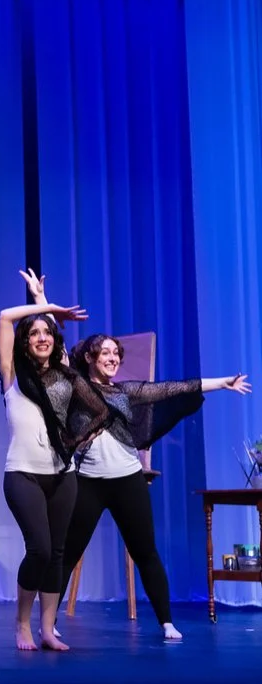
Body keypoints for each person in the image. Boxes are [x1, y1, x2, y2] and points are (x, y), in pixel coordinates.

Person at [23, 271, 252, 641]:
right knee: (67, 552)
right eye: (106, 353)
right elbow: (55, 345)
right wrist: (41, 298)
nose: (113, 358)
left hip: (128, 479)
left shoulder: (127, 391)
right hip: (89, 483)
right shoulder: (74, 386)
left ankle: (166, 622)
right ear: (91, 357)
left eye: (117, 353)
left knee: (145, 550)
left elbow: (171, 388)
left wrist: (221, 383)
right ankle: (48, 623)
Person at [0, 276, 110, 652]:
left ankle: (47, 628)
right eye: (35, 334)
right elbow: (4, 317)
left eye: (48, 332)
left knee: (58, 552)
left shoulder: (62, 375)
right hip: (23, 475)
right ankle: (21, 624)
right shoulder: (12, 375)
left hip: (63, 474)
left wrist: (46, 301)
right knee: (40, 549)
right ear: (25, 343)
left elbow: (90, 408)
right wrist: (45, 306)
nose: (42, 337)